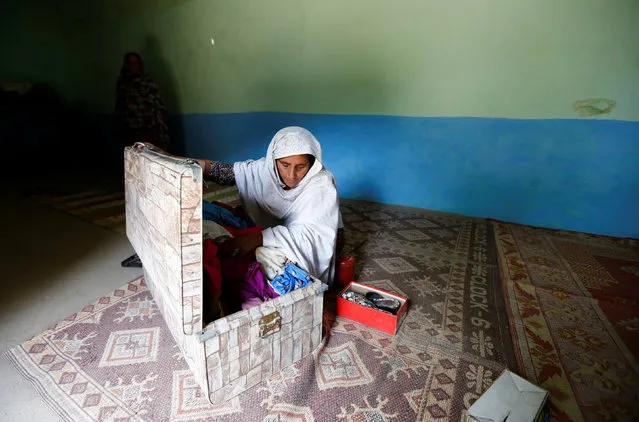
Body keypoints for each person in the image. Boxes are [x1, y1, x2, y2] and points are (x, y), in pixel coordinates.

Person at [140, 126, 343, 284]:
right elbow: (220, 171)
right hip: (271, 234)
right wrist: (169, 157)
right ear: (273, 161)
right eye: (284, 165)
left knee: (273, 269)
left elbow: (313, 239)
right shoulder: (263, 170)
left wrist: (256, 238)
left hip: (304, 244)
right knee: (208, 218)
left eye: (301, 167)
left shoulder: (321, 184)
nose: (291, 175)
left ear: (313, 164)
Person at [115, 52, 170, 151]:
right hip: (128, 130)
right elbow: (119, 108)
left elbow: (157, 108)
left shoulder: (147, 83)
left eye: (136, 63)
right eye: (130, 63)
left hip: (147, 130)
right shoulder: (123, 84)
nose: (133, 66)